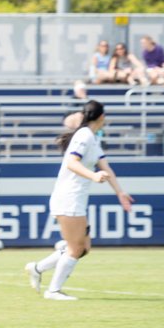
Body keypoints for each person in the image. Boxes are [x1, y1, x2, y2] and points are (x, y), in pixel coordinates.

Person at [23, 101, 132, 301]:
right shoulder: (84, 135)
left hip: (74, 199)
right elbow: (71, 162)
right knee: (76, 248)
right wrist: (93, 176)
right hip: (69, 198)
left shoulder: (91, 138)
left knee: (83, 247)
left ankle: (37, 269)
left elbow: (106, 168)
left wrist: (120, 193)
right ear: (101, 117)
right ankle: (53, 291)